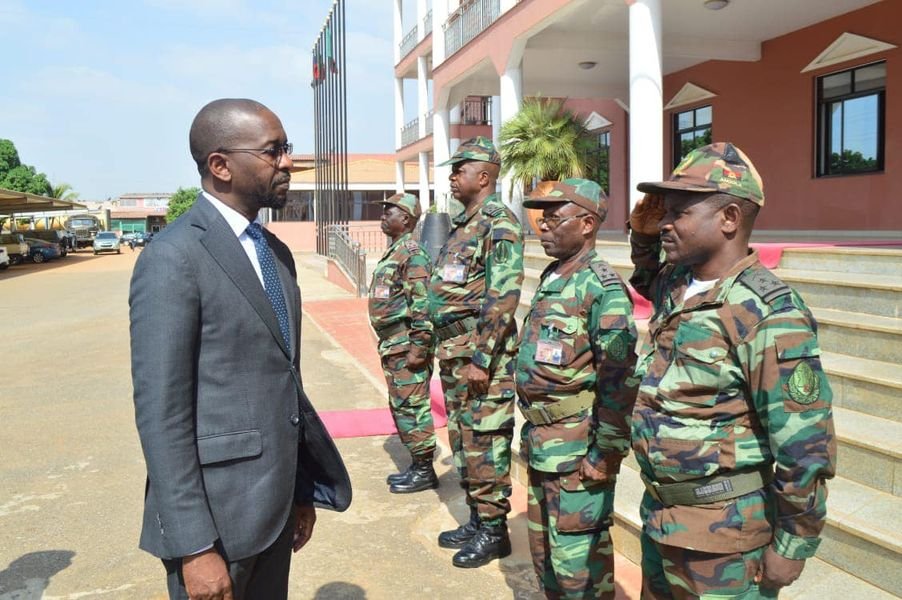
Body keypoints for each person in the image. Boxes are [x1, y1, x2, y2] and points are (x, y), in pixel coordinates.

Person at [130, 98, 351, 600]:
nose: (288, 162)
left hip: (273, 509)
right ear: (221, 165)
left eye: (286, 149)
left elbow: (283, 382)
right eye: (274, 151)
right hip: (218, 522)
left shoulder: (275, 253)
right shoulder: (173, 258)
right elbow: (161, 416)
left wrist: (299, 491)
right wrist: (194, 547)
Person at [628, 142, 837, 599]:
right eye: (665, 210)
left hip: (724, 539)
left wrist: (793, 543)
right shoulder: (677, 283)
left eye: (680, 211)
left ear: (729, 219)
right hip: (663, 516)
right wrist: (642, 235)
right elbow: (645, 276)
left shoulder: (769, 311)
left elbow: (804, 442)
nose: (666, 221)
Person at [516, 179, 639, 599]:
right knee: (545, 558)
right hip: (540, 444)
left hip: (577, 454)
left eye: (555, 217)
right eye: (542, 217)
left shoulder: (602, 289)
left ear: (587, 224)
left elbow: (619, 381)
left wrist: (605, 454)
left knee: (579, 572)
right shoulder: (554, 275)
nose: (543, 226)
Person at [428, 136, 524, 568]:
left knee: (485, 442)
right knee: (464, 442)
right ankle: (478, 517)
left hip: (482, 358)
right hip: (456, 353)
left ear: (483, 176)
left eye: (459, 169)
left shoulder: (497, 222)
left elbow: (503, 296)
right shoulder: (462, 223)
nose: (452, 176)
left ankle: (494, 531)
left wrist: (482, 359)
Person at [368, 192, 438, 494]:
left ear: (406, 219)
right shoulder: (395, 252)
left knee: (413, 407)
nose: (384, 216)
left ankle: (425, 470)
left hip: (405, 345)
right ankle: (417, 463)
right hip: (393, 345)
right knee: (401, 406)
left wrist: (418, 350)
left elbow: (423, 306)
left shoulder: (412, 254)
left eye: (390, 212)